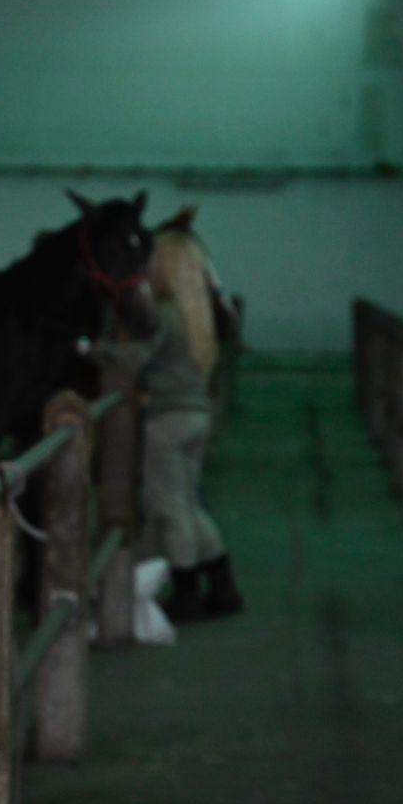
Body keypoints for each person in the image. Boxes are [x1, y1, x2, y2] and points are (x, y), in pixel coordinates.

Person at [134, 226, 243, 621]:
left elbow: (132, 360)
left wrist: (88, 349)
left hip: (165, 420)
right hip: (199, 415)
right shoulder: (202, 314)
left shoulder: (163, 314)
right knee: (192, 505)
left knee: (171, 509)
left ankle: (186, 592)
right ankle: (223, 584)